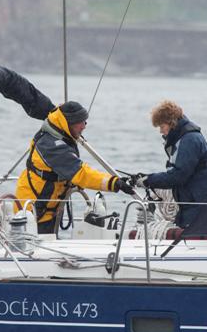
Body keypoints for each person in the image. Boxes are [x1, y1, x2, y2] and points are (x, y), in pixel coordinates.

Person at [15, 100, 135, 234]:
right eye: (81, 122)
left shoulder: (61, 136)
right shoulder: (51, 145)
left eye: (85, 121)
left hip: (47, 209)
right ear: (68, 123)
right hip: (33, 212)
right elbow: (80, 173)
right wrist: (113, 183)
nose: (84, 126)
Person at [133, 100, 207, 228]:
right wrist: (148, 177)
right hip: (192, 202)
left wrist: (149, 180)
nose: (161, 132)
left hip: (199, 205)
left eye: (162, 127)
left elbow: (179, 175)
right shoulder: (183, 138)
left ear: (171, 123)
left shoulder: (190, 140)